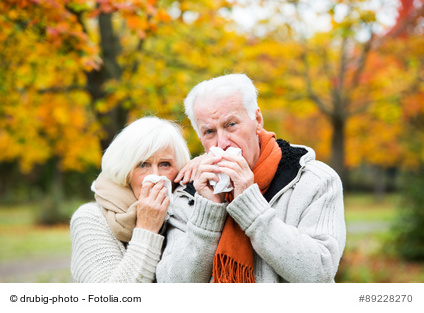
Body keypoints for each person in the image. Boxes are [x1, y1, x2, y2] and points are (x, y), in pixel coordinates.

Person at [156, 73, 346, 283]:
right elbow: (171, 284)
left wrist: (249, 204)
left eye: (231, 125)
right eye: (209, 131)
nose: (222, 143)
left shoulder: (315, 180)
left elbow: (319, 271)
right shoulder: (189, 194)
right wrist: (207, 213)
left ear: (257, 120)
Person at [70, 116, 191, 283]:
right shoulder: (90, 219)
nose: (155, 176)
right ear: (125, 171)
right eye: (143, 164)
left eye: (165, 164)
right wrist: (146, 229)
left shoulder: (184, 210)